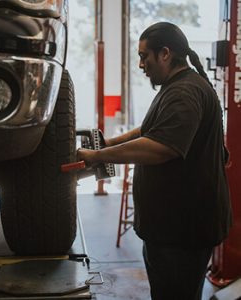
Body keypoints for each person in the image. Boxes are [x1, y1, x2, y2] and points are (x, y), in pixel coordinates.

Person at [77, 22, 232, 300]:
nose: (140, 64)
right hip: (177, 229)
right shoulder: (180, 87)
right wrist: (112, 142)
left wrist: (99, 156)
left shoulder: (184, 93)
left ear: (165, 53)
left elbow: (162, 146)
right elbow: (154, 129)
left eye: (144, 56)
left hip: (182, 232)